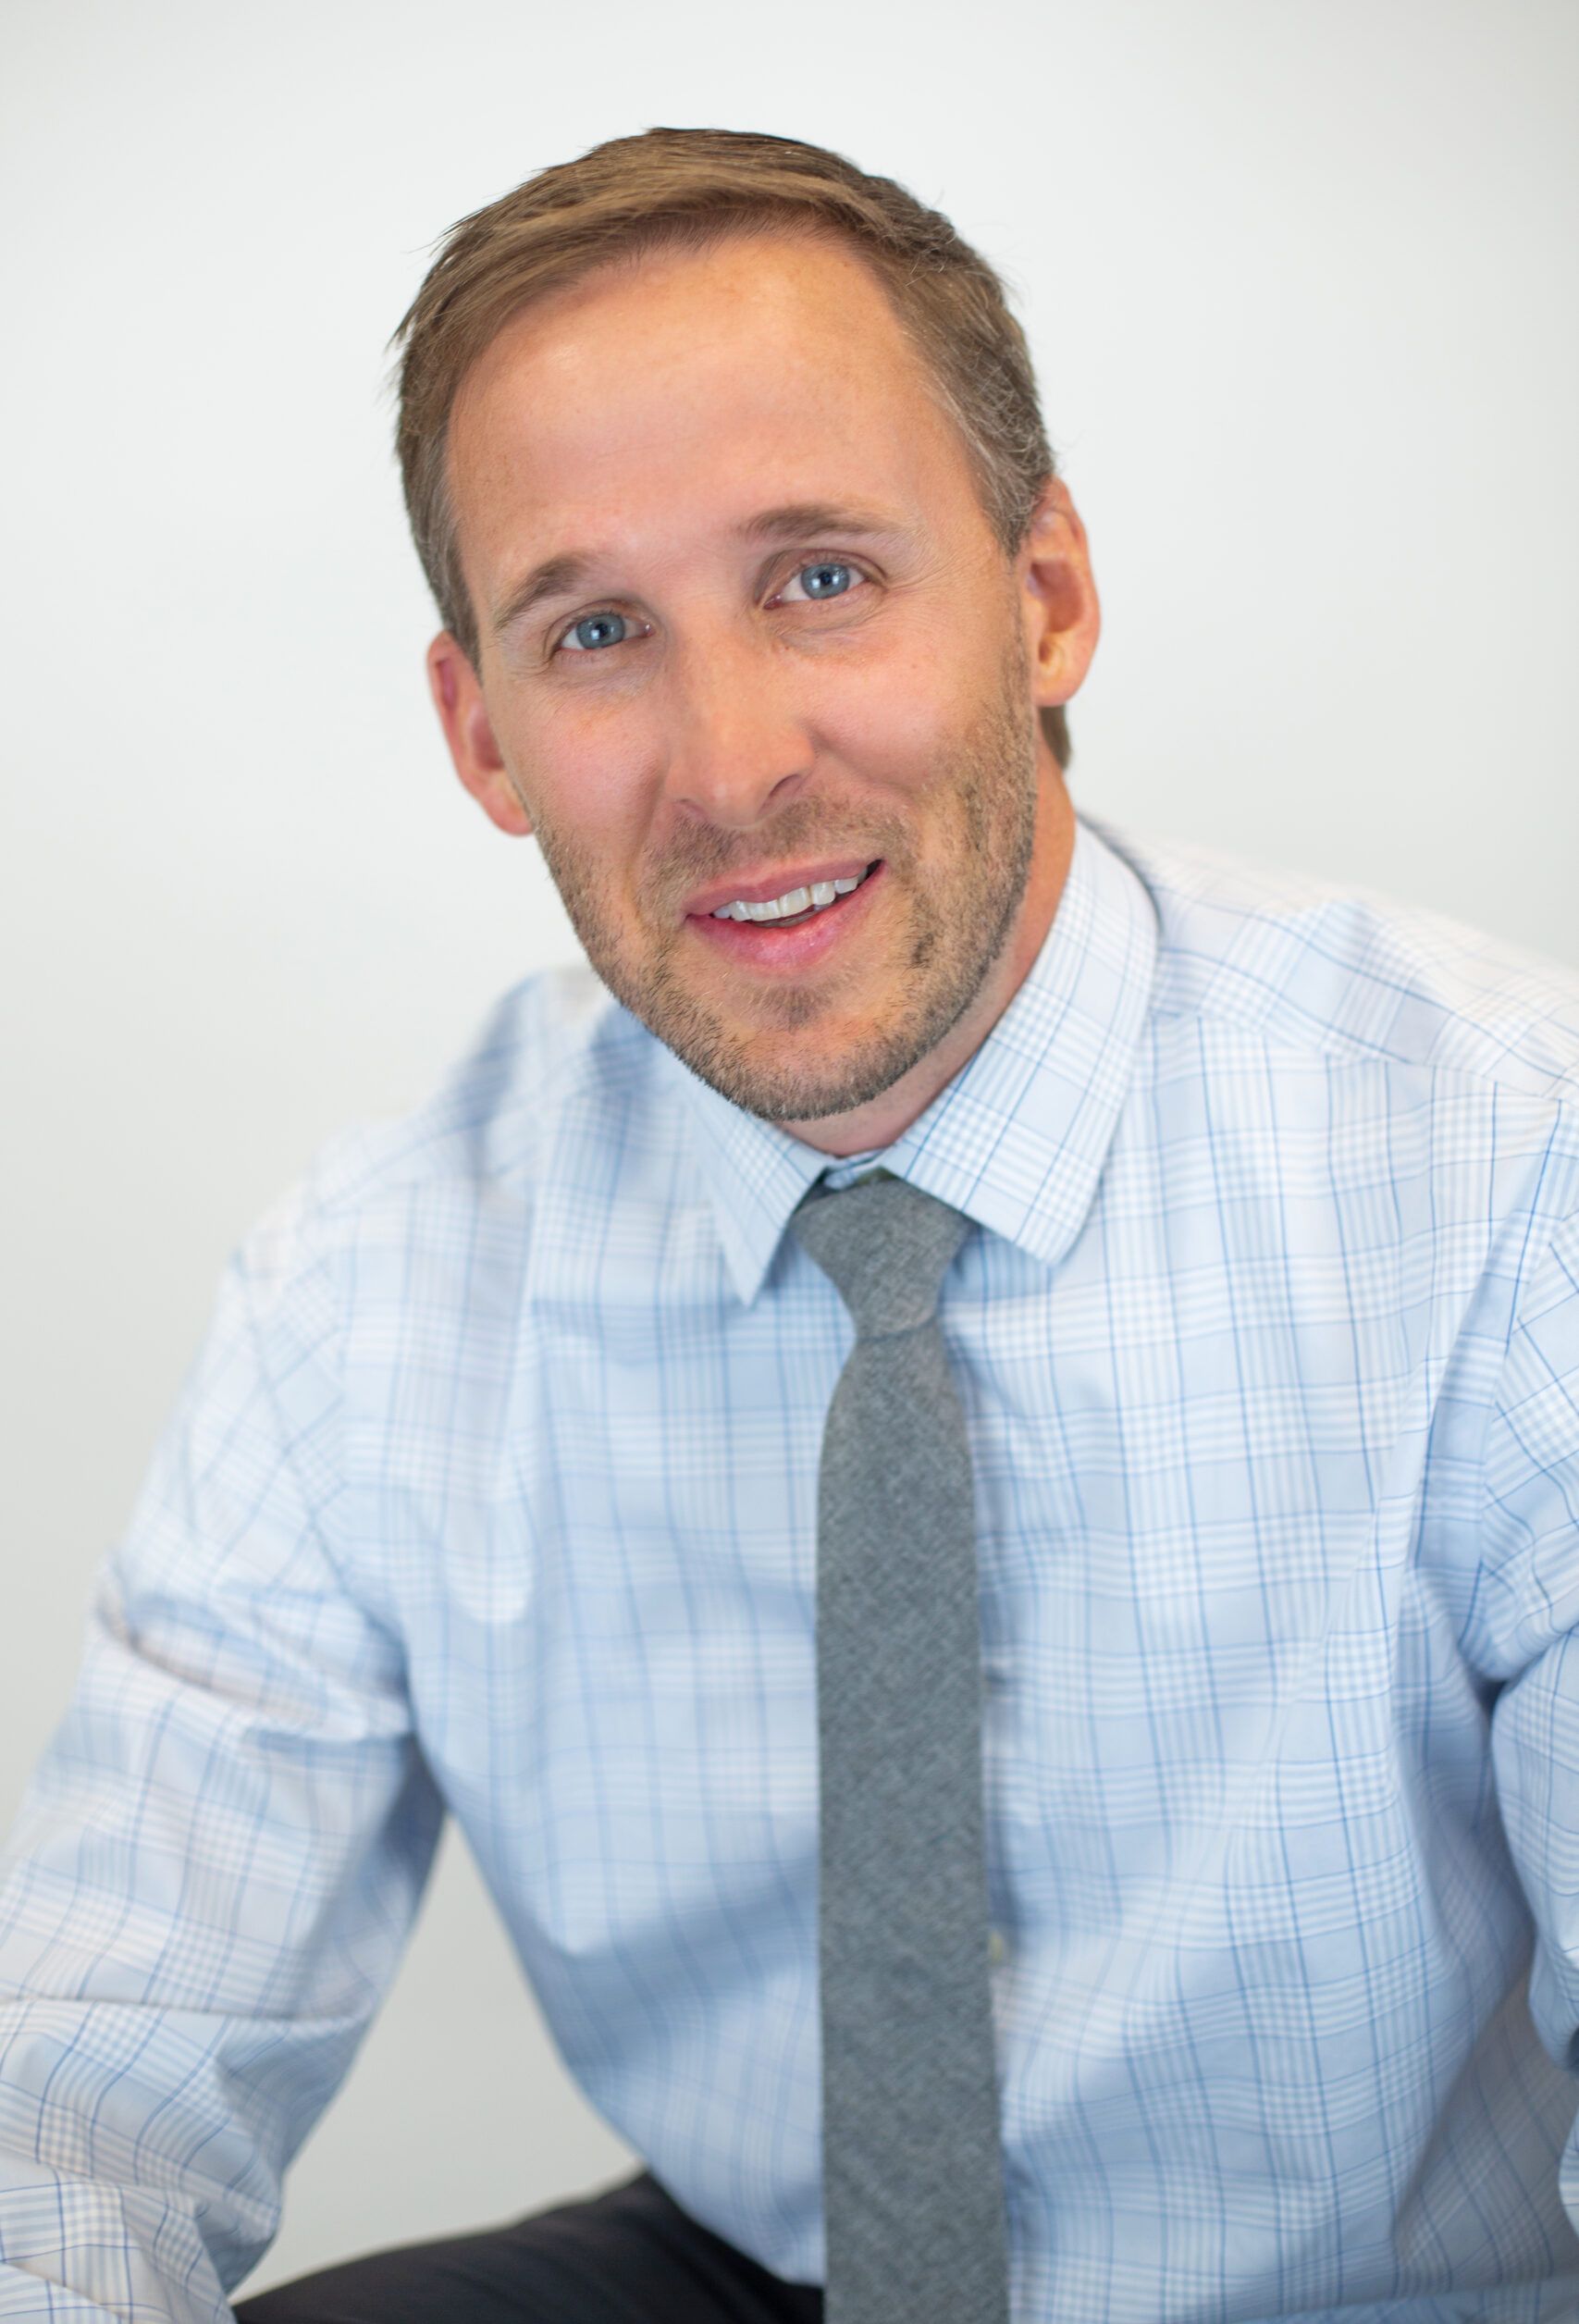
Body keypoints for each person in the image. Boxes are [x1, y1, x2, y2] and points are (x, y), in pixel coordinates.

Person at [2, 123, 1577, 2324]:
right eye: (597, 628)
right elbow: (92, 2074)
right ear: (482, 734)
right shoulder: (370, 1282)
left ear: (1043, 596)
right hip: (776, 2272)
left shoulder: (1510, 1172)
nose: (731, 764)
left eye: (820, 575)